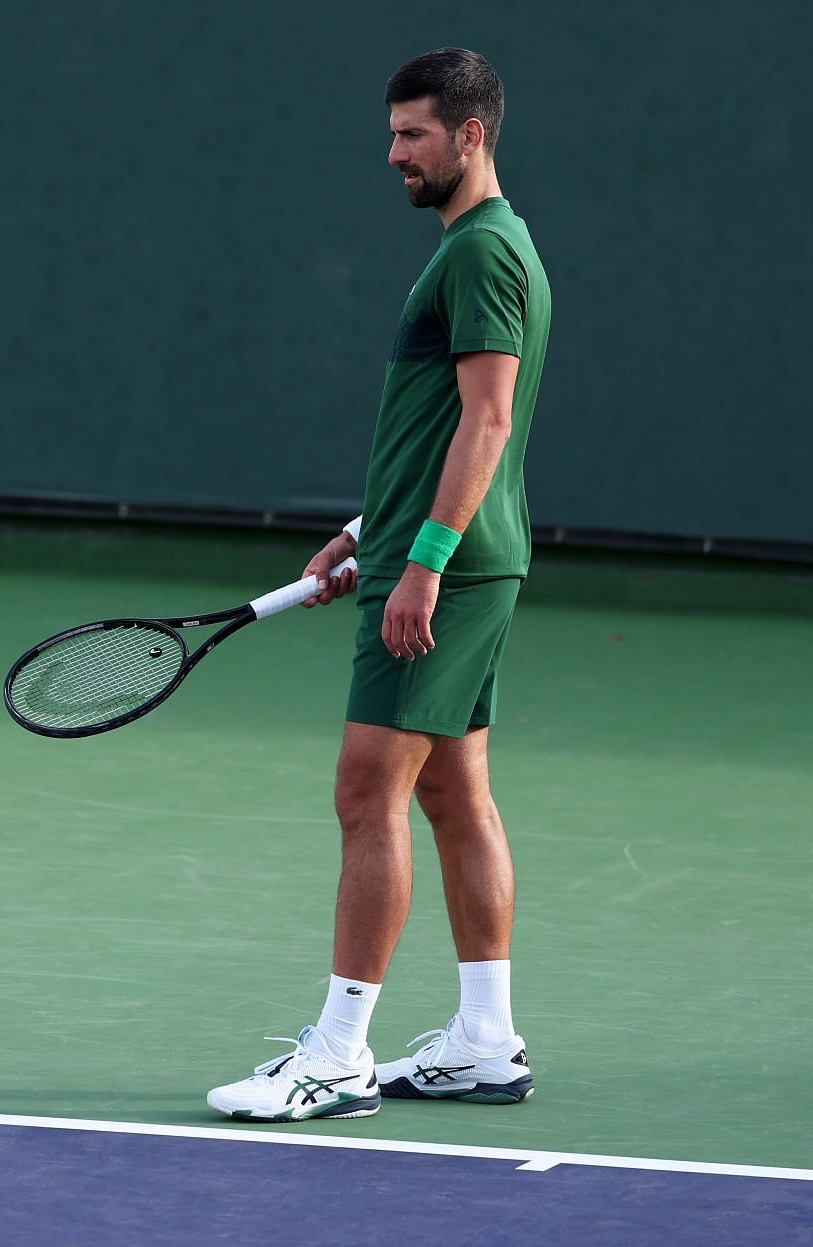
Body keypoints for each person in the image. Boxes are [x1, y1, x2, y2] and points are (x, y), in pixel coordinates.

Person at [207, 48, 552, 1122]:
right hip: (442, 550)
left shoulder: (483, 255)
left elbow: (490, 422)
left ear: (472, 135)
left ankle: (339, 1052)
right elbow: (444, 428)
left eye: (413, 134)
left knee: (369, 790)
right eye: (394, 131)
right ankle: (487, 1039)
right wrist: (369, 530)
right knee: (452, 791)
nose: (394, 152)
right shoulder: (480, 248)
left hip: (448, 566)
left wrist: (421, 565)